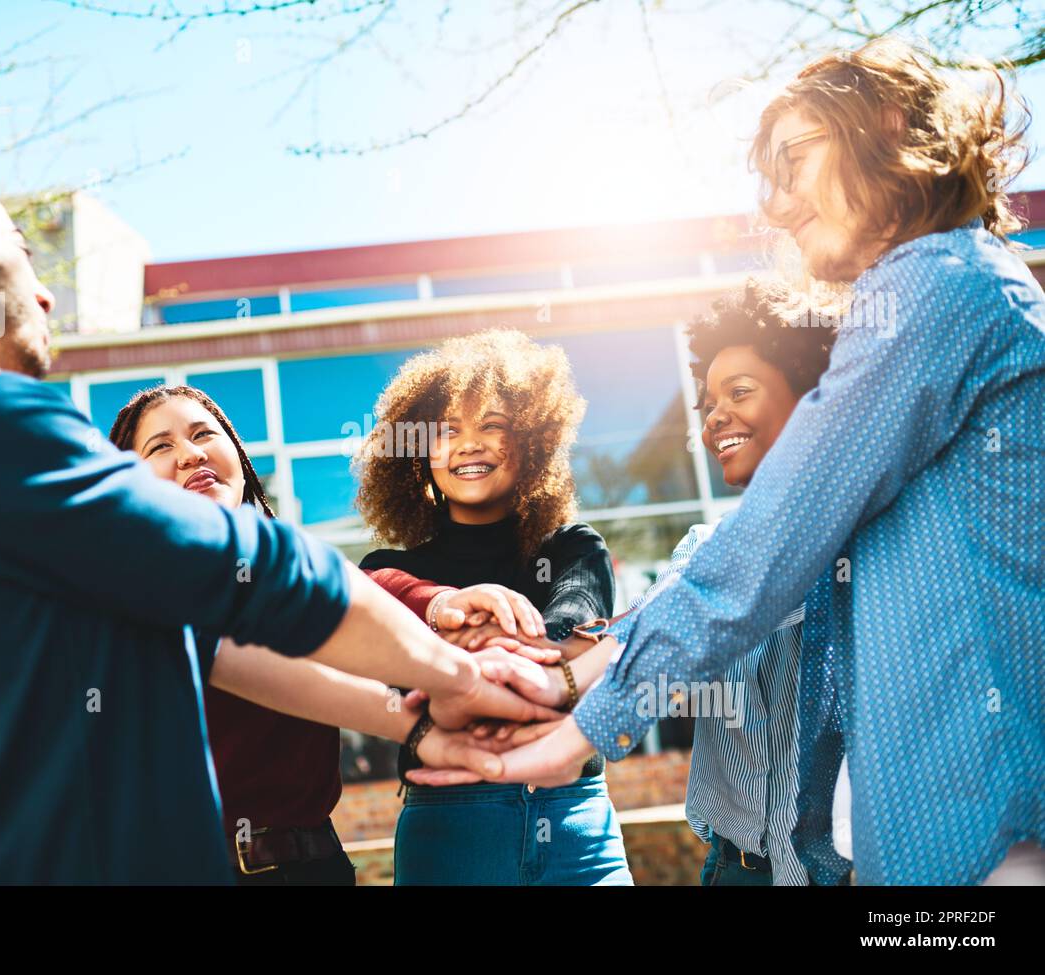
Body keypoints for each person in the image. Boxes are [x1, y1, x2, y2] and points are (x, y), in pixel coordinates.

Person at [0, 147, 560, 884]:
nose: (43, 295)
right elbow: (265, 573)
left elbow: (213, 649)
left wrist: (417, 721)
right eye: (24, 251)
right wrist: (455, 676)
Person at [422, 37, 1045, 886]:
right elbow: (747, 571)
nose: (780, 205)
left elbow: (767, 549)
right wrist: (570, 671)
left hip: (996, 850)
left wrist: (581, 728)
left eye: (795, 160)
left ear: (890, 124)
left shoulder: (933, 286)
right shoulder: (954, 291)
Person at [108, 383, 556, 883]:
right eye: (161, 446)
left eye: (203, 434)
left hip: (312, 868)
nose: (191, 454)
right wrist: (420, 721)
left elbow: (355, 590)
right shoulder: (122, 592)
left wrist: (442, 605)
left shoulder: (269, 565)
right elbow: (231, 646)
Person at [356, 329, 634, 885]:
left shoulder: (572, 547)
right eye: (448, 431)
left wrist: (472, 653)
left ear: (529, 443)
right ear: (418, 459)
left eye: (493, 425)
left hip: (572, 817)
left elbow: (575, 629)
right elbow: (378, 658)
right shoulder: (385, 569)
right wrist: (528, 656)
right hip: (451, 825)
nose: (469, 443)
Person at [618, 281, 836, 885]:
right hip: (732, 868)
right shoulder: (703, 547)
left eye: (739, 392)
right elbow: (644, 639)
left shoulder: (857, 538)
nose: (716, 417)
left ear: (810, 395)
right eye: (707, 404)